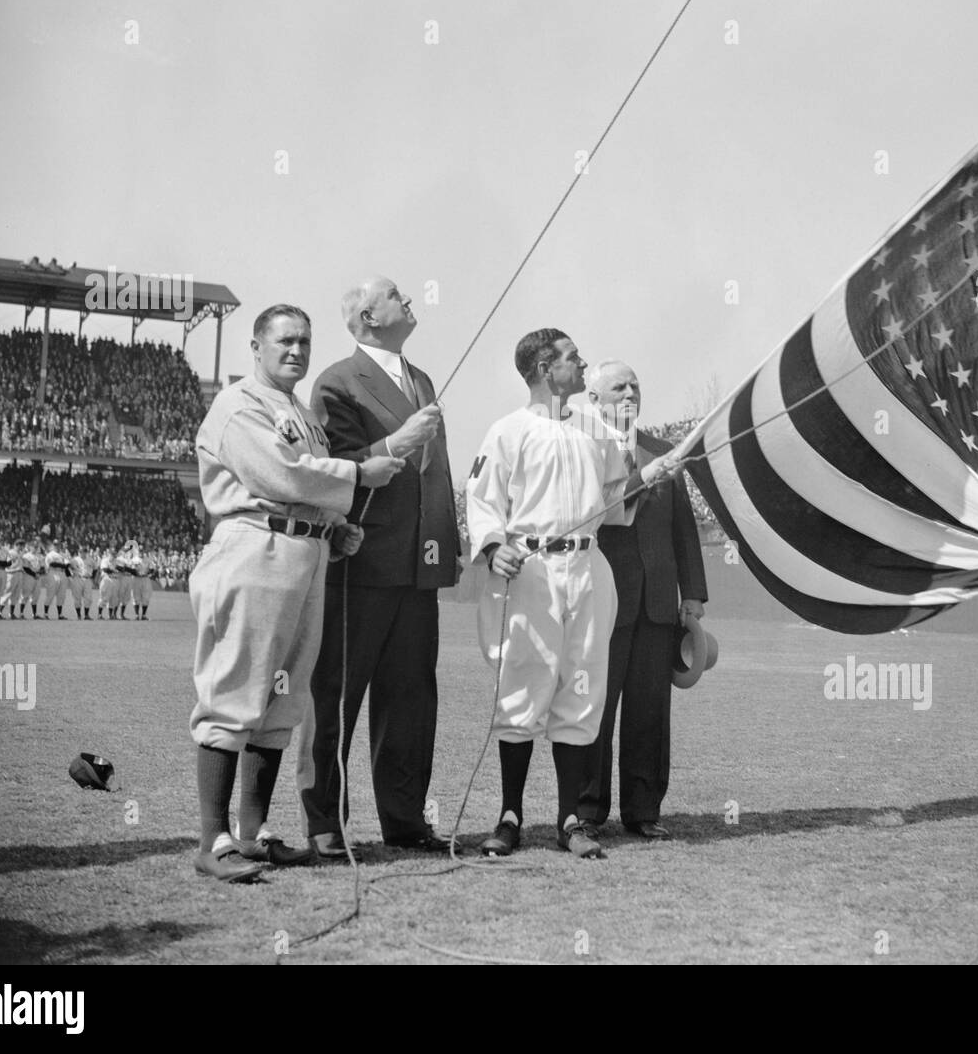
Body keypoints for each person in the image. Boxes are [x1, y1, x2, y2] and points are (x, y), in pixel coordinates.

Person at [188, 304, 404, 882]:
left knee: (281, 700)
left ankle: (253, 834)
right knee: (234, 691)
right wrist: (359, 475)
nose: (296, 351)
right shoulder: (238, 404)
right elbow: (280, 475)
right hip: (254, 550)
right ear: (255, 347)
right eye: (284, 341)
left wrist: (334, 527)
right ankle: (214, 840)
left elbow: (307, 487)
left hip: (304, 555)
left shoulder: (301, 413)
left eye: (305, 341)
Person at [465, 329, 681, 859]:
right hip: (530, 570)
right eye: (571, 359)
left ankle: (571, 822)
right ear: (544, 369)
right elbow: (483, 501)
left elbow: (613, 504)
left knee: (581, 692)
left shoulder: (596, 429)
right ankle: (510, 816)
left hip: (588, 566)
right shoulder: (507, 431)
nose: (581, 365)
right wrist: (495, 548)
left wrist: (643, 478)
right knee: (521, 693)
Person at [297, 278, 460, 859]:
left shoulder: (420, 379)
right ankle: (325, 824)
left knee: (412, 701)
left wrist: (444, 547)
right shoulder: (336, 382)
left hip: (418, 569)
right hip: (360, 565)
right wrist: (394, 443)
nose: (410, 300)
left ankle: (405, 817)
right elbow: (329, 468)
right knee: (335, 698)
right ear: (369, 314)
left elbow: (435, 477)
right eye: (397, 294)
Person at [578, 359, 708, 840]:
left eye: (635, 385)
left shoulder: (663, 452)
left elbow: (683, 529)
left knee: (649, 711)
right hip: (603, 602)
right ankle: (586, 810)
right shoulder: (581, 447)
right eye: (618, 387)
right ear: (594, 399)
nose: (630, 393)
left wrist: (692, 595)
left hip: (657, 603)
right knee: (595, 707)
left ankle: (644, 809)